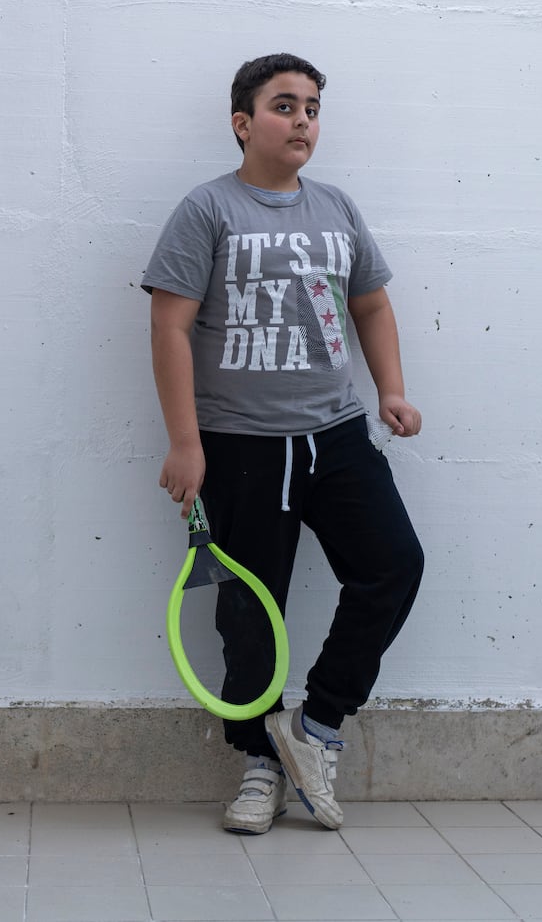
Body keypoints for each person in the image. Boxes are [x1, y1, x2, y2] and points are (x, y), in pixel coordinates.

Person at [142, 53, 425, 834]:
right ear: (243, 123)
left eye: (311, 109)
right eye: (283, 106)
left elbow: (370, 304)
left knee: (393, 566)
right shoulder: (207, 211)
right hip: (238, 447)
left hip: (335, 435)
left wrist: (390, 390)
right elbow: (168, 324)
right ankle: (260, 764)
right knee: (249, 615)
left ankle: (315, 727)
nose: (302, 120)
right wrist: (184, 442)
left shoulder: (336, 207)